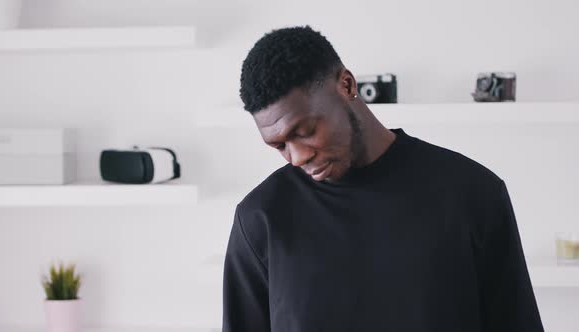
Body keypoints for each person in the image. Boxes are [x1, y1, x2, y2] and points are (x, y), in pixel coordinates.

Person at [222, 25, 544, 332]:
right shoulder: (260, 220)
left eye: (305, 131)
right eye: (279, 146)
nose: (297, 157)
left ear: (347, 85)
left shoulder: (473, 194)